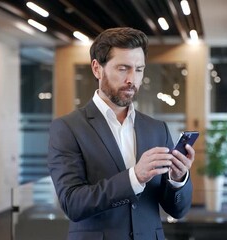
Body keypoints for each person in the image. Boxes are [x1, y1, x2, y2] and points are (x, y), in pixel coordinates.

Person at [47, 27, 195, 240]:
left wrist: (178, 179)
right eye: (123, 68)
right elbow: (73, 203)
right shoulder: (67, 128)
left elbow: (178, 211)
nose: (132, 80)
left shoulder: (157, 129)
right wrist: (135, 177)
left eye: (139, 69)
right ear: (97, 69)